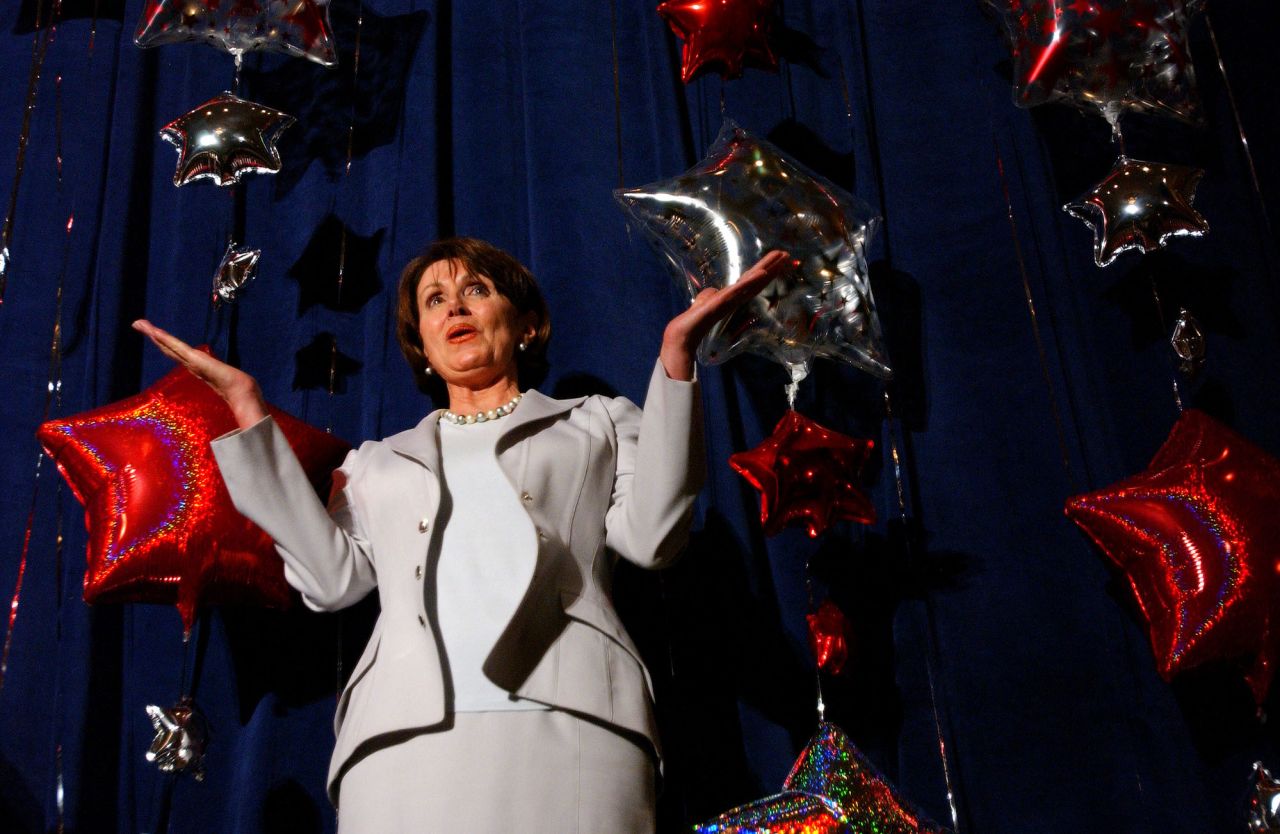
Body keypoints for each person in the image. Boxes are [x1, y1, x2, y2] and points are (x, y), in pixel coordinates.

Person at [133, 238, 791, 833]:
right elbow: (331, 582)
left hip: (574, 718)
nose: (457, 307)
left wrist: (676, 359)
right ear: (420, 341)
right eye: (435, 299)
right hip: (400, 739)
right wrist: (247, 409)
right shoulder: (374, 462)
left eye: (477, 289)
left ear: (527, 323)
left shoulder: (598, 423)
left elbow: (653, 537)